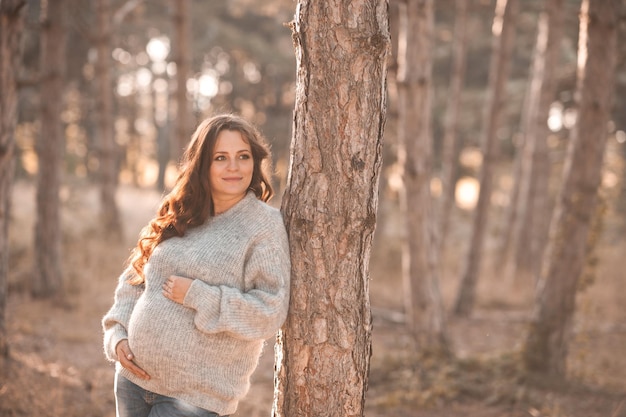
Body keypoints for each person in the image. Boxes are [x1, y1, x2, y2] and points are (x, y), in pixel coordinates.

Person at [102, 114, 291, 417]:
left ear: (254, 162)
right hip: (132, 381)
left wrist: (198, 295)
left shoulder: (263, 226)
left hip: (194, 400)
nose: (234, 167)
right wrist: (117, 334)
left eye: (243, 156)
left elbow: (269, 312)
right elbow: (134, 280)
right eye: (220, 158)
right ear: (202, 164)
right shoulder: (183, 212)